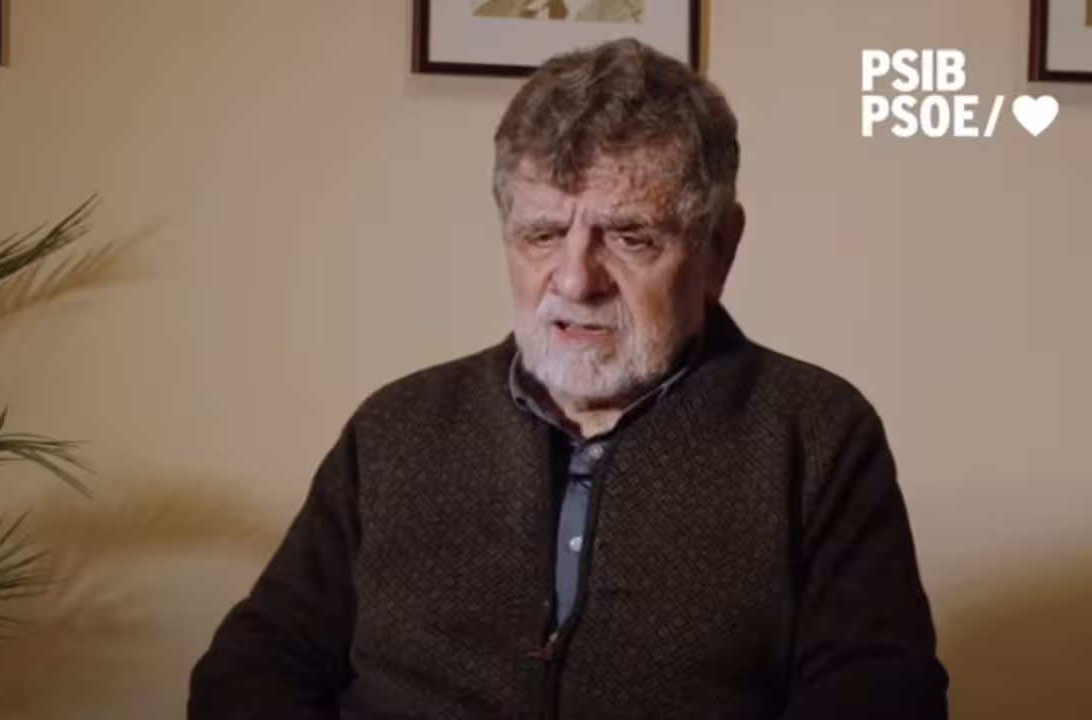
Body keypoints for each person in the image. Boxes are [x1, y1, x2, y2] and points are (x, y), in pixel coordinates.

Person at [188, 38, 950, 719]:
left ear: (719, 248)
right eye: (543, 234)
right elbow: (251, 669)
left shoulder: (816, 435)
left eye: (630, 236)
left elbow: (884, 698)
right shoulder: (396, 428)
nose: (576, 281)